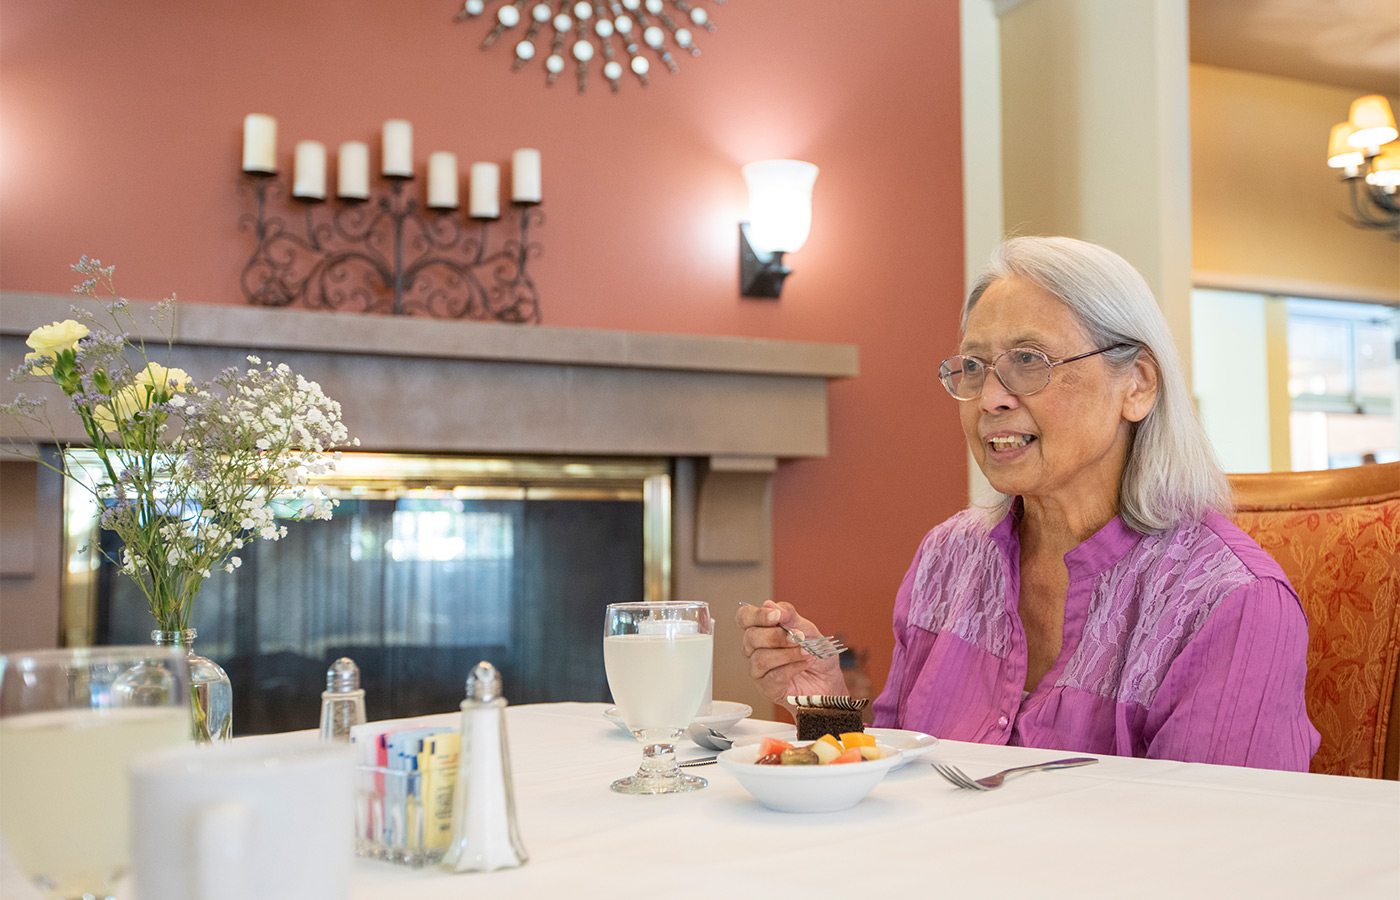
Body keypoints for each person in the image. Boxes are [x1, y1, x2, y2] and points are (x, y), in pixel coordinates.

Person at [738, 236, 1319, 771]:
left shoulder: (1232, 604)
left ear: (1137, 384)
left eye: (1029, 361)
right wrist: (819, 703)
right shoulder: (949, 557)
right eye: (973, 367)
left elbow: (1221, 852)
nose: (990, 398)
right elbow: (900, 774)